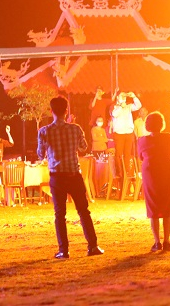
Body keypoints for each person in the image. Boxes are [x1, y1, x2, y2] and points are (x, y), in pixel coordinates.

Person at [38, 96, 103, 259]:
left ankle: (64, 250)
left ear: (51, 111)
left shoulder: (45, 131)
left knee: (60, 214)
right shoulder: (75, 129)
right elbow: (83, 148)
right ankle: (92, 246)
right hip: (74, 174)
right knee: (83, 211)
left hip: (57, 176)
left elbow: (40, 154)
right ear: (66, 111)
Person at [137, 112, 170, 252]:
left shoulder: (142, 140)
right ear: (162, 124)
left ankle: (156, 242)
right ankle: (166, 241)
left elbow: (141, 156)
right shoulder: (168, 137)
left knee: (153, 208)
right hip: (166, 172)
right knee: (167, 207)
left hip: (150, 174)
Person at [111, 91, 142, 181]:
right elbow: (114, 114)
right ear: (117, 97)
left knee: (127, 154)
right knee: (119, 154)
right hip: (119, 134)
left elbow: (138, 106)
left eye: (125, 96)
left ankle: (126, 172)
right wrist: (121, 105)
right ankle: (120, 172)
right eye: (121, 95)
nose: (124, 97)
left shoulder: (129, 106)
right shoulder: (114, 106)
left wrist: (134, 96)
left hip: (129, 133)